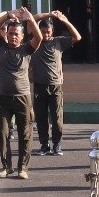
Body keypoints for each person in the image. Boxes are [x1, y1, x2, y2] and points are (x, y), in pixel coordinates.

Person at [0, 7, 42, 178]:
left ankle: (23, 168)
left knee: (25, 134)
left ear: (22, 36)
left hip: (22, 98)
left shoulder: (26, 49)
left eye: (16, 34)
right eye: (11, 33)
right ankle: (7, 166)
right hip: (3, 97)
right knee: (2, 133)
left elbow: (38, 38)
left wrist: (30, 19)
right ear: (7, 34)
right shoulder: (0, 45)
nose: (13, 36)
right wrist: (8, 15)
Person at [34, 11, 80, 156]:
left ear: (52, 31)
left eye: (48, 32)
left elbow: (77, 37)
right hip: (39, 85)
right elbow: (31, 21)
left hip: (56, 85)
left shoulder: (58, 41)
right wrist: (48, 14)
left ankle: (57, 144)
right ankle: (44, 145)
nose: (46, 34)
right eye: (43, 32)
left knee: (57, 117)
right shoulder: (35, 42)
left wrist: (64, 21)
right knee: (41, 117)